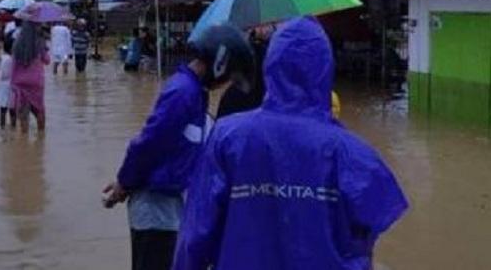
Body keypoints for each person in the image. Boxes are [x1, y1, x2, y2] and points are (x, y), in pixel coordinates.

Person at [173, 17, 408, 270]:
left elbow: (194, 236)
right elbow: (369, 232)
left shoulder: (227, 137)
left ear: (270, 65)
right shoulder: (354, 154)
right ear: (325, 68)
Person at [103, 24, 254, 270]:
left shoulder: (195, 93)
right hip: (158, 214)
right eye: (229, 76)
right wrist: (124, 183)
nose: (225, 84)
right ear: (220, 65)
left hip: (172, 211)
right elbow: (149, 143)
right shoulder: (183, 93)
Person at [10, 4, 51, 132]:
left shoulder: (17, 43)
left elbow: (13, 63)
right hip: (36, 81)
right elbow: (47, 61)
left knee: (23, 112)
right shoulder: (40, 41)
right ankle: (41, 136)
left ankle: (24, 135)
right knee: (39, 109)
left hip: (20, 81)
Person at [0, 34, 16, 129]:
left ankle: (2, 128)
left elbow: (2, 74)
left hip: (4, 87)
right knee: (13, 110)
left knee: (3, 110)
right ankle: (13, 128)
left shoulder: (5, 58)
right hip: (12, 86)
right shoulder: (13, 59)